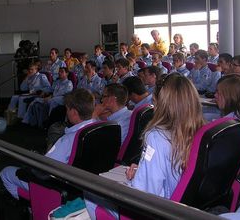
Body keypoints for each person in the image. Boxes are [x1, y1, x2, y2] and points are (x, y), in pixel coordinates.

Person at [85, 73, 205, 219]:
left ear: (162, 105)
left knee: (91, 191)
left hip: (154, 209)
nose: (154, 109)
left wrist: (135, 181)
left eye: (154, 103)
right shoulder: (198, 130)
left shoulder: (157, 136)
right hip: (181, 208)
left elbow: (143, 193)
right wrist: (143, 170)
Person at [0, 88, 97, 200]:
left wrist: (31, 163)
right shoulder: (100, 127)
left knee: (6, 173)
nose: (66, 112)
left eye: (67, 109)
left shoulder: (68, 140)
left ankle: (34, 205)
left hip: (60, 187)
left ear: (74, 112)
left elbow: (43, 170)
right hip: (89, 185)